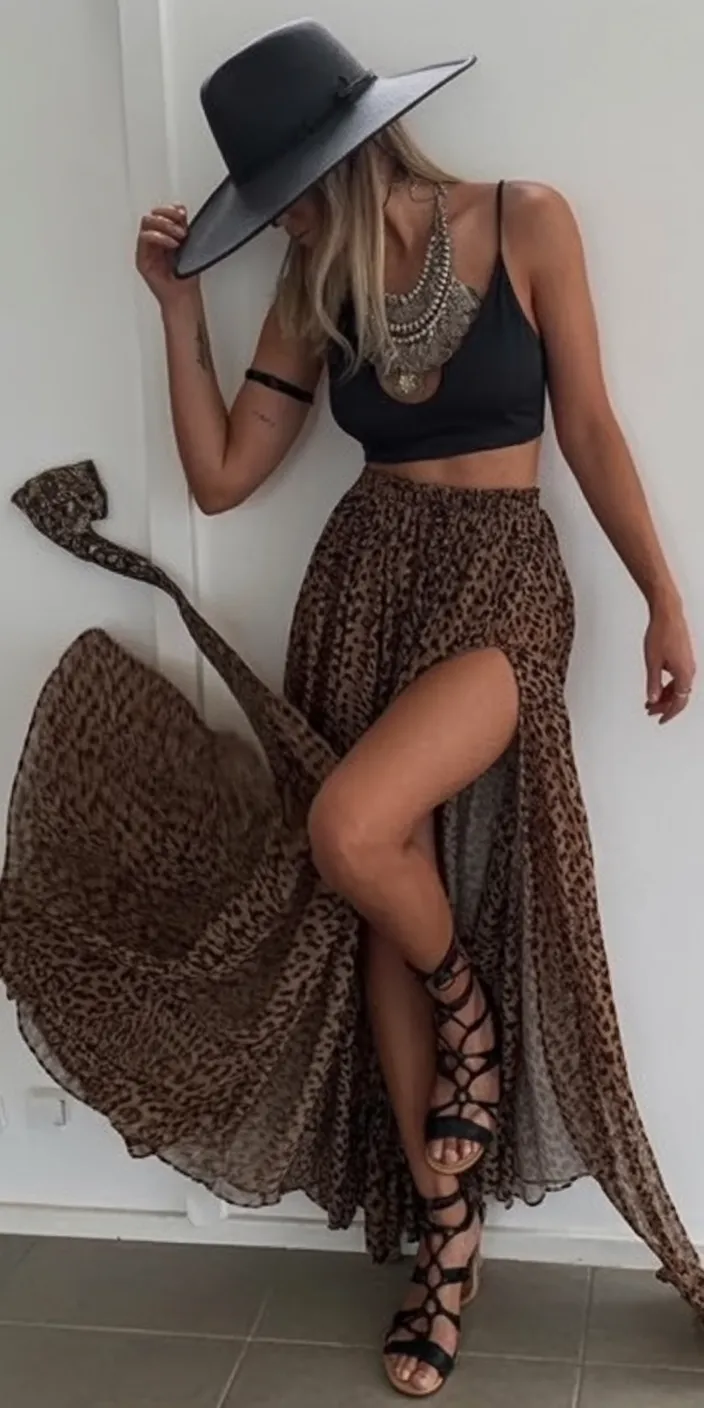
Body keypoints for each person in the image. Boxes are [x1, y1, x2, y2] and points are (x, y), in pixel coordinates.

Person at [1, 20, 702, 1401]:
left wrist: (664, 600)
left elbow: (590, 427)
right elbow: (222, 478)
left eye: (292, 188)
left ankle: (469, 1021)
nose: (286, 217)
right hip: (365, 584)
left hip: (502, 587)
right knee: (379, 882)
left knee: (351, 826)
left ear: (354, 145)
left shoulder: (524, 218)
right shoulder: (309, 286)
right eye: (270, 201)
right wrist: (177, 315)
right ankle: (447, 1247)